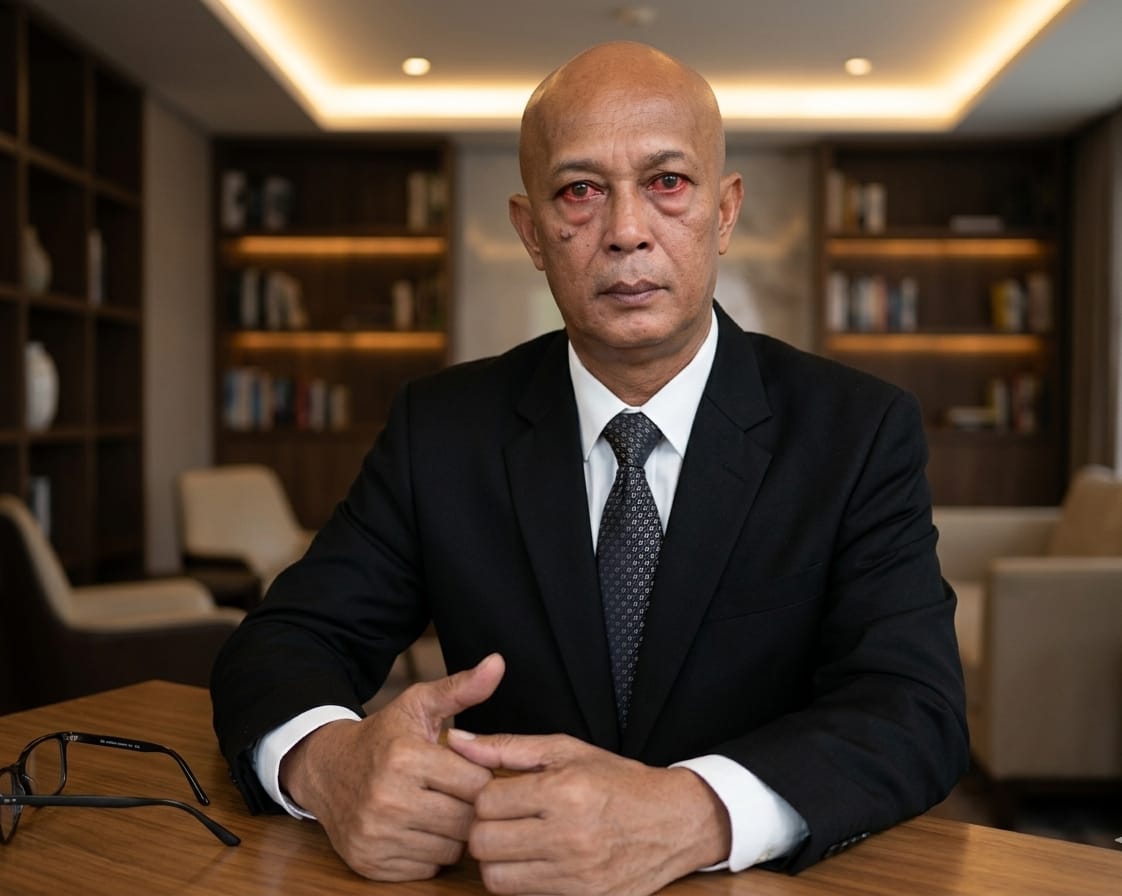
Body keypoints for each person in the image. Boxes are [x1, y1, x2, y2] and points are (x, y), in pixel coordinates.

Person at [211, 40, 968, 895]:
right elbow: (284, 640)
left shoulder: (857, 430)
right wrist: (327, 762)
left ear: (724, 212)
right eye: (580, 191)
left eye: (667, 182)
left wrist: (693, 812)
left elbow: (915, 709)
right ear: (532, 232)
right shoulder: (442, 429)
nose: (627, 231)